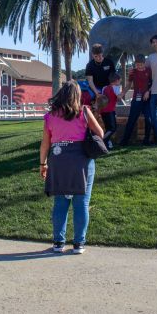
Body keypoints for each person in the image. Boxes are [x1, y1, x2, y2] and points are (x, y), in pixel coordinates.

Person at [40, 80, 104, 255]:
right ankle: (78, 244)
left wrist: (42, 163)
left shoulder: (50, 115)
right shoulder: (83, 112)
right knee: (81, 203)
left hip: (58, 160)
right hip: (81, 161)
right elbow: (100, 133)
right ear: (77, 95)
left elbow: (45, 143)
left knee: (60, 202)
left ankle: (58, 243)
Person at [119, 56, 152, 146]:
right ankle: (125, 140)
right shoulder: (133, 72)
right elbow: (129, 85)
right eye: (137, 65)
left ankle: (146, 140)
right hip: (136, 99)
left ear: (144, 63)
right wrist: (122, 93)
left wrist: (148, 92)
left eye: (141, 64)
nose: (139, 66)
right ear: (135, 64)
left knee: (148, 119)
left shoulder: (149, 70)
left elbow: (153, 83)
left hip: (147, 99)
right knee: (132, 120)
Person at [99, 72, 121, 150]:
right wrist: (123, 91)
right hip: (110, 111)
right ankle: (102, 141)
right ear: (117, 80)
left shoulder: (104, 87)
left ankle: (106, 143)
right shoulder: (116, 88)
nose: (119, 83)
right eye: (119, 81)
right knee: (112, 128)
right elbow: (119, 97)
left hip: (103, 111)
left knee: (108, 128)